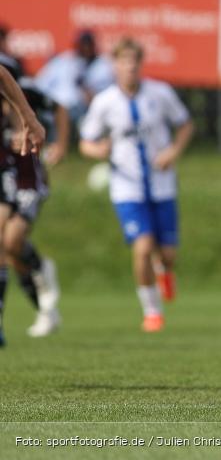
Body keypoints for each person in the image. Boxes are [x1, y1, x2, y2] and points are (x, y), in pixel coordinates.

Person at [79, 38, 193, 333]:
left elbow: (185, 124)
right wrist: (98, 151)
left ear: (141, 64)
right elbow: (85, 143)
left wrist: (173, 152)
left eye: (134, 61)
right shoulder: (105, 102)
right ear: (115, 65)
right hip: (127, 188)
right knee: (143, 247)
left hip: (162, 184)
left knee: (167, 254)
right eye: (124, 61)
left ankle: (164, 270)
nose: (130, 66)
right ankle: (152, 312)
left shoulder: (160, 93)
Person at [0, 57, 67, 338]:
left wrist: (59, 143)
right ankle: (38, 308)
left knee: (11, 242)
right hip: (5, 181)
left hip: (29, 182)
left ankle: (41, 273)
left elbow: (60, 109)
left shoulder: (29, 97)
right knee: (7, 249)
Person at [0, 51, 47, 347]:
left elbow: (2, 75)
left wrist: (28, 119)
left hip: (19, 177)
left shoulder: (27, 92)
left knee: (7, 238)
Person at [35, 30, 114, 124]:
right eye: (83, 44)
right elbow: (40, 85)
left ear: (94, 46)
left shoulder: (103, 65)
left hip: (84, 113)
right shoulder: (64, 61)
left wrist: (84, 86)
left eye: (88, 44)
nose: (86, 48)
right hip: (54, 111)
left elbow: (105, 97)